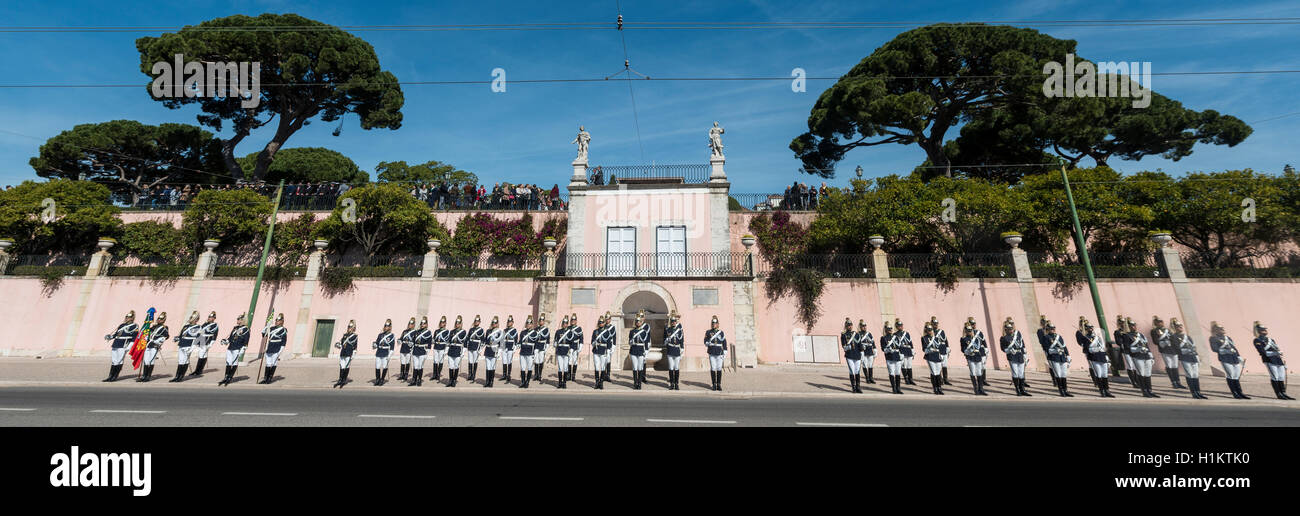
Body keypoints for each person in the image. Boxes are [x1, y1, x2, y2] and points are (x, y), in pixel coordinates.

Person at [1209, 322, 1249, 400]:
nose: (1223, 330)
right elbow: (1214, 349)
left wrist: (1239, 357)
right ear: (1216, 330)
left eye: (1223, 328)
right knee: (1231, 375)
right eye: (1220, 329)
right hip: (1225, 358)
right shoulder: (1213, 338)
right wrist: (1226, 351)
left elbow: (1234, 348)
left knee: (1236, 376)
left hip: (1234, 358)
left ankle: (1240, 392)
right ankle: (1234, 393)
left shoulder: (1228, 338)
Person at [1253, 322, 1293, 400]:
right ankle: (1278, 394)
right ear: (1259, 331)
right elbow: (1262, 352)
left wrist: (1279, 353)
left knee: (1281, 377)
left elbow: (1276, 349)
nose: (1265, 331)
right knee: (1275, 377)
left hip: (1278, 360)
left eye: (1265, 329)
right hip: (1269, 360)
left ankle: (1283, 393)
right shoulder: (1257, 340)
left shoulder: (1271, 340)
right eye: (1262, 330)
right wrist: (1275, 352)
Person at [1077, 317, 1114, 397]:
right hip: (1094, 358)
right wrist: (1094, 349)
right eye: (1089, 328)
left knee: (1105, 375)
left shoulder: (1097, 337)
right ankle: (1102, 391)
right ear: (1086, 328)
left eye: (1092, 327)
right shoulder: (1085, 337)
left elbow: (1102, 347)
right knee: (1099, 374)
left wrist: (1106, 357)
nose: (1091, 329)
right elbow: (1086, 348)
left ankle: (1107, 390)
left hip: (1102, 357)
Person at [1170, 318, 1207, 399]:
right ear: (1175, 328)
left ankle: (1198, 392)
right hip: (1184, 358)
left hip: (1193, 357)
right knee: (1189, 374)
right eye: (1178, 326)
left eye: (1180, 326)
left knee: (1195, 375)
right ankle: (1193, 392)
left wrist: (1197, 357)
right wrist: (1186, 350)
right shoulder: (1174, 337)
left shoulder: (1187, 337)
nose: (1180, 327)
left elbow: (1194, 346)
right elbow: (1176, 348)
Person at [103, 311, 139, 382]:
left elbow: (134, 338)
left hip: (123, 345)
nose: (126, 318)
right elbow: (116, 334)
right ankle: (110, 376)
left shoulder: (134, 326)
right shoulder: (121, 325)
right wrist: (110, 337)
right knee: (114, 361)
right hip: (116, 343)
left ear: (132, 318)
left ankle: (115, 376)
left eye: (128, 317)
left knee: (119, 361)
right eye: (126, 317)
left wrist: (128, 347)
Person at [1127, 317, 1158, 398]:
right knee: (1141, 373)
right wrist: (1138, 349)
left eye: (1134, 325)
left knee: (1148, 374)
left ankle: (1150, 390)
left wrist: (1151, 356)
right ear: (1129, 327)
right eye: (1131, 326)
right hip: (1137, 357)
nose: (1133, 327)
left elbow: (1146, 345)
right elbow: (1128, 348)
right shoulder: (1127, 336)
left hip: (1146, 356)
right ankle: (1144, 391)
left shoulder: (1141, 335)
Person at [999, 318, 1030, 397]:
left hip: (1020, 355)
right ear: (1006, 329)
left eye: (1011, 328)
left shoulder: (1017, 334)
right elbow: (1003, 348)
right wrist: (1009, 350)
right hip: (1012, 356)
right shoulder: (1004, 338)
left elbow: (1022, 344)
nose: (1011, 329)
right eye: (1009, 328)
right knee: (1015, 373)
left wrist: (1025, 354)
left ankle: (1022, 389)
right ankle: (1017, 390)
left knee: (1021, 373)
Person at [218, 314, 250, 386]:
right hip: (231, 347)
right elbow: (231, 338)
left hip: (237, 348)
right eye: (237, 319)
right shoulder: (235, 328)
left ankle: (230, 377)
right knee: (228, 362)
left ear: (243, 320)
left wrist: (243, 349)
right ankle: (226, 377)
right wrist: (225, 341)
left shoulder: (246, 329)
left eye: (239, 319)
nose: (237, 320)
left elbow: (246, 340)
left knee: (234, 363)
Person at [1151, 316, 1183, 389]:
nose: (1161, 323)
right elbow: (1155, 341)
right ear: (1155, 323)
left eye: (1161, 321)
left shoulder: (1168, 330)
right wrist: (1163, 342)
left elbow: (1173, 338)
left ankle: (1178, 382)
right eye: (1159, 322)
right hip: (1165, 350)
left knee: (1175, 366)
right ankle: (1173, 382)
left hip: (1173, 350)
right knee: (1169, 366)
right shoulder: (1154, 331)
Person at [171, 311, 203, 382]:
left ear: (197, 319)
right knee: (180, 361)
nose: (191, 319)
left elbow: (201, 338)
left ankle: (181, 377)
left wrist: (193, 348)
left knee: (185, 361)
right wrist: (177, 338)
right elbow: (181, 335)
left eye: (193, 318)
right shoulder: (185, 326)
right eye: (191, 317)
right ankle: (177, 376)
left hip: (189, 345)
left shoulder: (199, 327)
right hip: (182, 344)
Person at [1043, 321, 1072, 397]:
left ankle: (1065, 390)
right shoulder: (1046, 337)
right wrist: (1055, 350)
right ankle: (1061, 390)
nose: (1052, 330)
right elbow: (1046, 349)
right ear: (1048, 329)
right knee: (1058, 374)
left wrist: (1068, 355)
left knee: (1063, 374)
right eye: (1050, 328)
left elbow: (1064, 346)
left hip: (1062, 357)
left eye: (1053, 328)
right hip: (1054, 358)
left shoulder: (1059, 337)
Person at [139, 312, 168, 382]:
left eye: (161, 319)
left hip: (154, 346)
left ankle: (148, 376)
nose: (159, 320)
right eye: (158, 318)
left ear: (164, 320)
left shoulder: (164, 328)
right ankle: (144, 376)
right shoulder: (153, 327)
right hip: (148, 345)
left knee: (151, 361)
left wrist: (158, 342)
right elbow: (147, 333)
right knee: (146, 360)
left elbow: (166, 336)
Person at [960, 321, 988, 396]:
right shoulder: (963, 339)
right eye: (968, 330)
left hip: (977, 356)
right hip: (970, 356)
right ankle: (975, 389)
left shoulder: (976, 339)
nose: (969, 332)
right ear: (965, 331)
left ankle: (981, 389)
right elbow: (962, 349)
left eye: (970, 330)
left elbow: (980, 346)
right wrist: (967, 351)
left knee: (979, 372)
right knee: (973, 372)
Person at [260, 313, 288, 384]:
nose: (276, 322)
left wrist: (280, 351)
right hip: (269, 347)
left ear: (282, 321)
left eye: (278, 321)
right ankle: (265, 378)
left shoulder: (283, 330)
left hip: (277, 348)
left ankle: (270, 378)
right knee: (268, 363)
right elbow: (264, 334)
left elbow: (283, 341)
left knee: (273, 363)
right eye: (276, 320)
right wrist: (267, 326)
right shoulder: (271, 328)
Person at [591, 313, 616, 390]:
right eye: (599, 322)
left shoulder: (607, 332)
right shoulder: (595, 331)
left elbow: (609, 342)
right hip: (596, 350)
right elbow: (592, 341)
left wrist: (609, 350)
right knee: (596, 366)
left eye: (602, 322)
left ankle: (601, 382)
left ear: (604, 323)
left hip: (603, 350)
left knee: (602, 367)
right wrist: (594, 343)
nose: (601, 324)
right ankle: (597, 382)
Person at [628, 311, 651, 390]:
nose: (638, 322)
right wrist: (631, 341)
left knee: (640, 367)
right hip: (633, 350)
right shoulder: (632, 331)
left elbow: (647, 342)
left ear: (642, 322)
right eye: (637, 321)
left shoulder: (644, 332)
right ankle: (635, 383)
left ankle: (639, 383)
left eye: (639, 321)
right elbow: (629, 341)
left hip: (641, 350)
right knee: (635, 367)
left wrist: (646, 351)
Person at [705, 315, 728, 391]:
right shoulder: (708, 332)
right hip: (712, 352)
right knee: (713, 368)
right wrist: (707, 343)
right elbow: (705, 340)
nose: (714, 324)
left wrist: (725, 351)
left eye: (715, 323)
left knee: (719, 368)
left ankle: (719, 384)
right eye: (712, 323)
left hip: (719, 352)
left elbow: (724, 342)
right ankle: (714, 384)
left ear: (718, 324)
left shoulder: (721, 333)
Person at [333, 320, 358, 389]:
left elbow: (355, 346)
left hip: (349, 353)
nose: (349, 328)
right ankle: (340, 379)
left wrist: (353, 354)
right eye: (348, 327)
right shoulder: (344, 335)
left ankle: (344, 380)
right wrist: (338, 345)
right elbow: (341, 344)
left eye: (350, 327)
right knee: (342, 366)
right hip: (343, 353)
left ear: (353, 328)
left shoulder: (355, 336)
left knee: (346, 367)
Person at [408, 317, 433, 387]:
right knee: (415, 366)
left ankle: (419, 380)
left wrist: (427, 352)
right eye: (421, 323)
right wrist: (411, 346)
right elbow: (413, 341)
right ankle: (414, 380)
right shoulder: (417, 331)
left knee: (420, 366)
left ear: (426, 324)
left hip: (422, 351)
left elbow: (429, 343)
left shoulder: (428, 332)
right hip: (415, 350)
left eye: (424, 323)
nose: (422, 325)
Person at [921, 322, 944, 395]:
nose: (930, 331)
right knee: (934, 372)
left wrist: (942, 354)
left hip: (937, 356)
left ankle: (939, 388)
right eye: (928, 329)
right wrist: (928, 350)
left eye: (931, 329)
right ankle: (935, 388)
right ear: (926, 330)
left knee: (938, 372)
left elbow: (940, 347)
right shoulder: (924, 338)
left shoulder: (936, 338)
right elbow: (924, 348)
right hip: (930, 356)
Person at [663, 311, 685, 390]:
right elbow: (664, 339)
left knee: (676, 367)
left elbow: (682, 339)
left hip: (676, 350)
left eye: (674, 321)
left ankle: (676, 383)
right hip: (670, 349)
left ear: (676, 322)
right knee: (671, 368)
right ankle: (672, 383)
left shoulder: (679, 330)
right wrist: (666, 340)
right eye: (672, 321)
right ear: (670, 322)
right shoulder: (668, 329)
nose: (673, 323)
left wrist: (682, 348)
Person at [194, 311, 219, 377]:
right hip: (201, 340)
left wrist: (211, 344)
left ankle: (198, 371)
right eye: (209, 317)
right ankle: (198, 370)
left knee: (202, 355)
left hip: (207, 340)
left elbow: (215, 335)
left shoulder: (215, 325)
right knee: (202, 355)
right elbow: (200, 332)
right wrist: (197, 342)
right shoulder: (205, 324)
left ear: (214, 318)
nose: (209, 318)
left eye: (211, 317)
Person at [841, 318, 863, 393]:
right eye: (848, 325)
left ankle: (858, 387)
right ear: (846, 326)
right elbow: (843, 346)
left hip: (857, 355)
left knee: (857, 372)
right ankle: (853, 387)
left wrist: (862, 350)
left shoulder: (856, 334)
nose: (850, 326)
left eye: (851, 325)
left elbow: (860, 345)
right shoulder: (844, 335)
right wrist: (849, 347)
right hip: (849, 355)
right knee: (852, 371)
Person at [445, 316, 467, 387]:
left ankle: (454, 380)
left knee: (456, 366)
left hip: (458, 350)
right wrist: (446, 349)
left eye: (459, 323)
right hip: (451, 350)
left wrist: (463, 351)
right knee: (451, 366)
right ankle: (450, 380)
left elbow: (465, 342)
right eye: (456, 323)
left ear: (461, 324)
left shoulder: (463, 332)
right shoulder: (452, 331)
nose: (457, 324)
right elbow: (448, 341)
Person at [881, 323, 902, 394]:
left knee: (898, 373)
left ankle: (898, 388)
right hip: (890, 357)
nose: (890, 330)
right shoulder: (883, 338)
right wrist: (888, 350)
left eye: (891, 329)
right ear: (886, 330)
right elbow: (883, 349)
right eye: (888, 329)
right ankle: (894, 388)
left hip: (897, 356)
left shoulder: (896, 337)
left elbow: (899, 346)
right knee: (891, 373)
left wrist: (901, 353)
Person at [373, 319, 395, 386]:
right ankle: (377, 379)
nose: (386, 327)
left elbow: (392, 347)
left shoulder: (391, 336)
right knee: (377, 366)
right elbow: (377, 343)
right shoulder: (380, 335)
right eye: (385, 326)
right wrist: (374, 345)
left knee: (384, 366)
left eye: (387, 326)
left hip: (385, 353)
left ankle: (382, 379)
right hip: (379, 352)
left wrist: (389, 355)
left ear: (390, 327)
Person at [930, 316, 952, 385]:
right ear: (932, 324)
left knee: (944, 365)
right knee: (938, 365)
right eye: (934, 324)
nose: (936, 325)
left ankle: (946, 379)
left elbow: (945, 340)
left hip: (943, 349)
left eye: (936, 323)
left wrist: (947, 347)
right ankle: (940, 379)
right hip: (937, 350)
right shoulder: (931, 332)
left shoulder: (941, 331)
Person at [518, 316, 538, 388]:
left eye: (530, 324)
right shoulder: (523, 332)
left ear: (532, 324)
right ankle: (523, 382)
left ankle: (527, 382)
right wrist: (518, 345)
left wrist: (535, 352)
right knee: (523, 368)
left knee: (529, 368)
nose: (528, 325)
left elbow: (536, 343)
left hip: (530, 352)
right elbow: (520, 341)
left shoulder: (534, 333)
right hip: (522, 352)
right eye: (527, 323)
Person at [465, 315, 486, 384]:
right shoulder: (471, 329)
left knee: (475, 361)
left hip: (476, 347)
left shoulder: (481, 330)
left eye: (477, 321)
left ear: (479, 322)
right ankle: (470, 375)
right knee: (470, 361)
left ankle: (474, 375)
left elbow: (483, 340)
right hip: (470, 346)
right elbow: (467, 338)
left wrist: (480, 349)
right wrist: (465, 347)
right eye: (475, 321)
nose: (476, 322)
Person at [499, 316, 519, 384]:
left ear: (512, 323)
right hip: (504, 347)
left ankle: (508, 375)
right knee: (504, 361)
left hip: (510, 347)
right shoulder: (504, 330)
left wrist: (515, 347)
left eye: (510, 322)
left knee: (509, 361)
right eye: (508, 322)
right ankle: (504, 375)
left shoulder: (514, 330)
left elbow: (516, 339)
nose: (508, 323)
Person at [554, 315, 572, 389]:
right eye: (564, 323)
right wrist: (555, 344)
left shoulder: (570, 332)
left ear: (567, 324)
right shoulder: (558, 332)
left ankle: (564, 383)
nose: (565, 324)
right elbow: (555, 340)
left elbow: (572, 341)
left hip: (566, 351)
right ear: (562, 324)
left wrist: (571, 349)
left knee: (565, 368)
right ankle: (560, 382)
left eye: (566, 323)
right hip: (560, 351)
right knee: (560, 368)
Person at [894, 319, 915, 385]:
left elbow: (910, 341)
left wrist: (912, 349)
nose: (901, 327)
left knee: (909, 366)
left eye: (901, 325)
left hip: (908, 350)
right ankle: (906, 379)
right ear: (896, 327)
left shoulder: (907, 333)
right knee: (904, 365)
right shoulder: (895, 334)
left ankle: (910, 379)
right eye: (899, 326)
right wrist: (899, 352)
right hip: (902, 350)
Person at [483, 316, 502, 388]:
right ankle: (487, 381)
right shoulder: (488, 331)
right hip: (488, 350)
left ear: (497, 324)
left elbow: (500, 343)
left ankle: (491, 382)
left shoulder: (499, 332)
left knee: (492, 367)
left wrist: (499, 352)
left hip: (494, 350)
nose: (494, 324)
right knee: (488, 366)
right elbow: (485, 340)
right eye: (493, 323)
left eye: (495, 323)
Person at [856, 319, 876, 385]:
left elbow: (872, 342)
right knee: (864, 365)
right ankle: (867, 378)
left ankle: (871, 378)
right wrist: (860, 350)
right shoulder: (858, 334)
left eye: (865, 326)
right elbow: (858, 343)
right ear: (860, 327)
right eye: (863, 326)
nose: (864, 327)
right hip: (863, 351)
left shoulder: (869, 334)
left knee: (870, 365)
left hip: (870, 350)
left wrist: (875, 348)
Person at [431, 316, 450, 382]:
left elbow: (447, 341)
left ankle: (438, 374)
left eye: (443, 322)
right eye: (441, 322)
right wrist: (432, 341)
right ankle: (434, 374)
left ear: (445, 323)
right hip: (436, 346)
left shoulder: (447, 331)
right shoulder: (436, 331)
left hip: (442, 347)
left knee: (440, 361)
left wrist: (446, 350)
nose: (442, 323)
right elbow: (434, 338)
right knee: (435, 361)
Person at [534, 313, 551, 385]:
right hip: (536, 345)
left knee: (541, 361)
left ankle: (540, 375)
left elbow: (547, 338)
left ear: (544, 322)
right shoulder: (535, 329)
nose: (541, 322)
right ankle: (536, 375)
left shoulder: (546, 329)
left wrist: (547, 346)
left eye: (542, 321)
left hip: (542, 345)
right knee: (536, 361)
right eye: (540, 321)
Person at [397, 317, 416, 381]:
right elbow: (401, 338)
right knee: (402, 362)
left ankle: (406, 375)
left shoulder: (415, 332)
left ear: (413, 325)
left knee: (407, 362)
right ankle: (401, 374)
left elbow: (415, 341)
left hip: (409, 349)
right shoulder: (404, 331)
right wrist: (399, 340)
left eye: (411, 324)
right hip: (403, 348)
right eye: (409, 324)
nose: (410, 325)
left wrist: (412, 344)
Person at [567, 313, 584, 384]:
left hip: (576, 346)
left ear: (576, 321)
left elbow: (581, 338)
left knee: (575, 361)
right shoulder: (568, 328)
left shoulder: (579, 328)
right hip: (570, 346)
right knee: (569, 361)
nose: (573, 321)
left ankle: (573, 375)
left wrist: (580, 347)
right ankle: (568, 375)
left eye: (574, 320)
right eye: (572, 320)